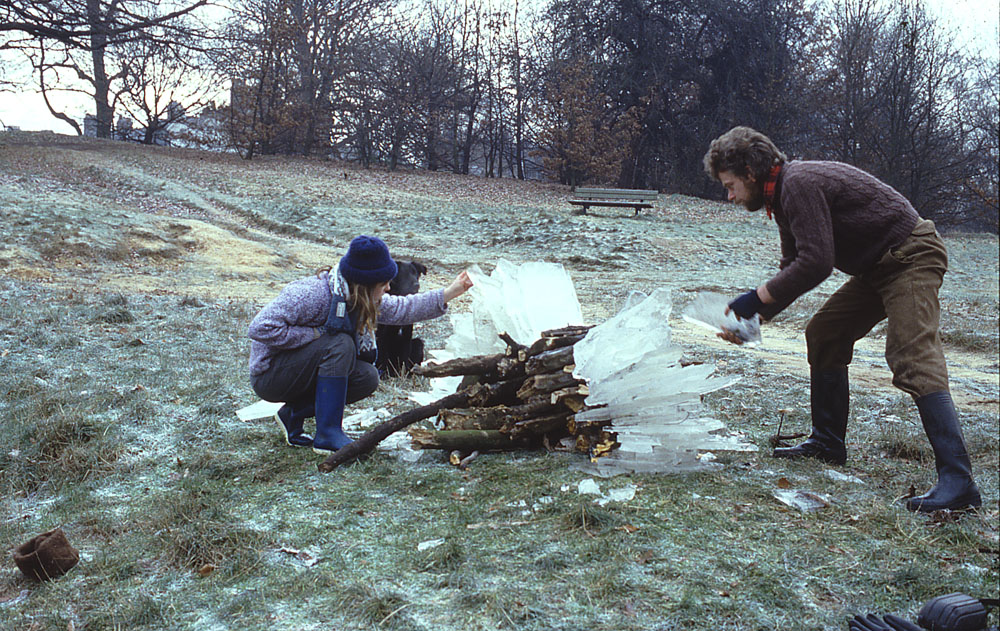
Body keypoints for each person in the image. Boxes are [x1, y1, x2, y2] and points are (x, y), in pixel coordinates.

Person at [703, 126, 981, 513]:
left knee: (911, 355)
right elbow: (794, 265)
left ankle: (959, 481)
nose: (730, 196)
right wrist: (754, 318)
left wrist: (755, 298)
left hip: (911, 256)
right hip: (878, 268)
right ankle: (827, 443)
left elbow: (816, 262)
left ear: (749, 172)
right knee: (825, 333)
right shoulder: (781, 196)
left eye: (730, 185)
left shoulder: (798, 183)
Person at [247, 235, 473, 454]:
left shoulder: (358, 297)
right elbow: (260, 328)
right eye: (384, 283)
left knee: (366, 377)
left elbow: (403, 309)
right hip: (270, 375)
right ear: (366, 284)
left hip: (301, 370)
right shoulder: (312, 294)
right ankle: (327, 434)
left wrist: (450, 292)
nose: (388, 288)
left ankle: (293, 414)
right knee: (340, 343)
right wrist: (315, 334)